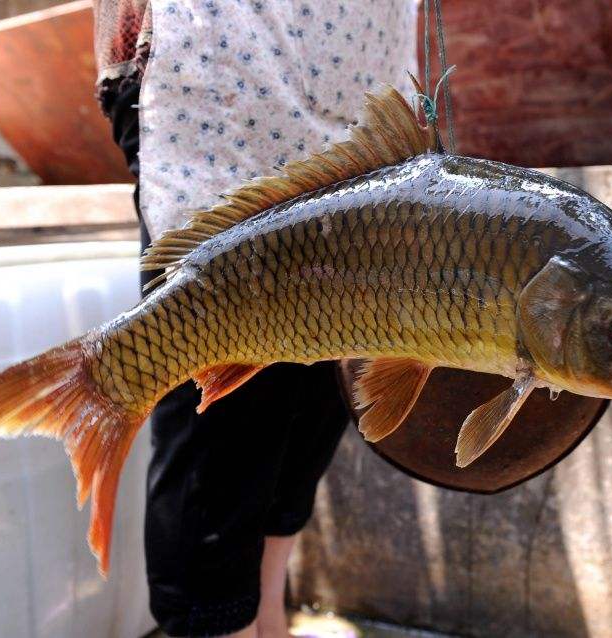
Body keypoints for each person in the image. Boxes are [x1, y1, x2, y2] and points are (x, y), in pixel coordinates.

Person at [92, 1, 417, 636]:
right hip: (220, 59)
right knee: (227, 424)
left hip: (361, 68)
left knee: (313, 401)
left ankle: (270, 620)